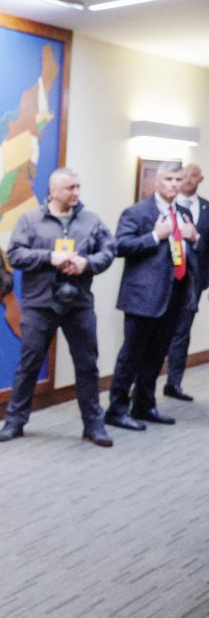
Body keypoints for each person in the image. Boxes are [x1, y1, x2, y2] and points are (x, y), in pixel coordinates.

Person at [0, 168, 116, 446]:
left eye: (78, 187)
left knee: (87, 366)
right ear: (53, 191)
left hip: (79, 304)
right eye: (70, 188)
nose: (76, 192)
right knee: (29, 365)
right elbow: (15, 255)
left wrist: (88, 263)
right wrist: (51, 257)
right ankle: (14, 422)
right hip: (40, 305)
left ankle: (93, 425)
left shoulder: (91, 220)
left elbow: (109, 251)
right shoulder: (30, 220)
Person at [106, 161, 198, 431]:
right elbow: (120, 246)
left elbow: (187, 250)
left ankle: (144, 406)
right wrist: (155, 236)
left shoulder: (182, 214)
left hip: (174, 295)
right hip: (143, 297)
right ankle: (116, 410)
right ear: (156, 182)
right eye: (168, 179)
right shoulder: (137, 212)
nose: (173, 184)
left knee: (156, 356)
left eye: (177, 179)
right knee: (131, 356)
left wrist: (195, 238)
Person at [164, 163, 208, 400]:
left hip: (193, 283)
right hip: (165, 282)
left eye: (193, 175)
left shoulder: (206, 208)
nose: (188, 180)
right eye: (184, 176)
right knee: (155, 332)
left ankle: (174, 383)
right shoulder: (167, 207)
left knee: (182, 332)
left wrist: (197, 237)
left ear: (200, 179)